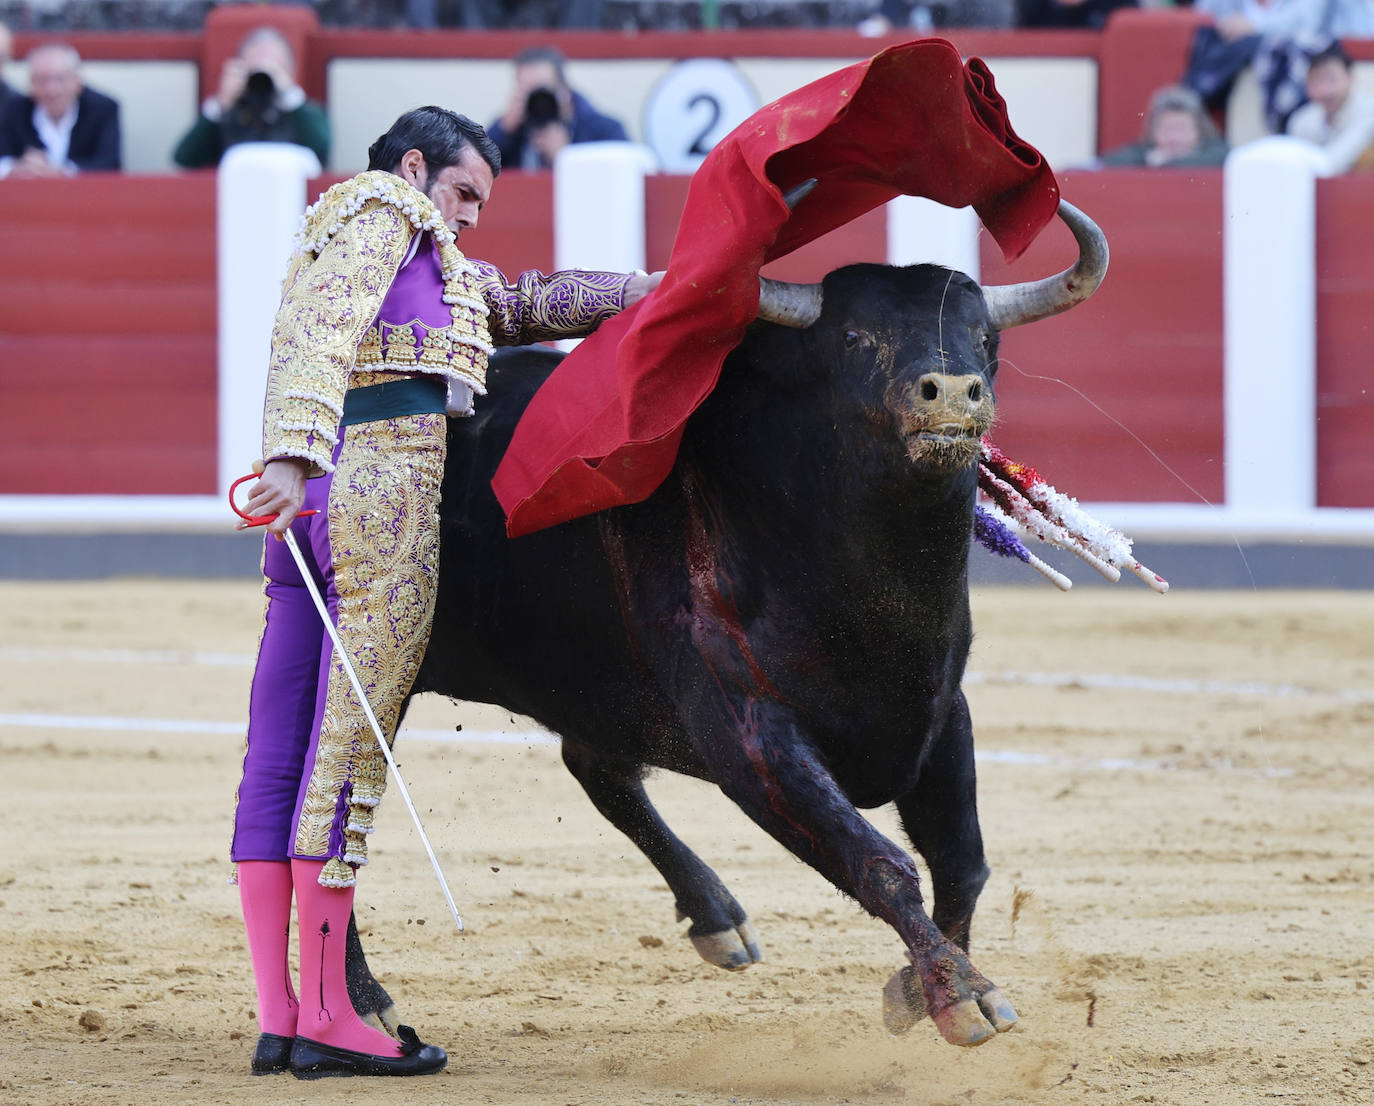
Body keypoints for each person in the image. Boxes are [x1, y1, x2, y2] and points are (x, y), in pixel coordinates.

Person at [229, 105, 662, 1080]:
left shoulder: (429, 261)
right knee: (346, 751)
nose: (467, 214)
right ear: (417, 165)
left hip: (322, 501)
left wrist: (646, 289)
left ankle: (284, 1012)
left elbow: (516, 302)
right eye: (463, 191)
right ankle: (333, 1017)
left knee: (286, 750)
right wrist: (294, 454)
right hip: (373, 492)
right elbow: (318, 325)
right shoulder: (384, 208)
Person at [173, 26, 329, 169]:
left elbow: (322, 150)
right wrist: (221, 105)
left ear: (290, 71)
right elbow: (185, 158)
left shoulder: (305, 112)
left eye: (274, 66)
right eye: (255, 65)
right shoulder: (228, 113)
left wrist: (290, 97)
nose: (262, 75)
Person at [487, 46, 627, 170]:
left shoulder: (606, 131)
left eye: (542, 91)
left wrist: (568, 157)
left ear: (564, 89)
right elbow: (476, 175)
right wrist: (503, 131)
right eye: (526, 92)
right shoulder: (510, 128)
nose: (535, 101)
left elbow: (621, 174)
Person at [0, 42, 120, 178]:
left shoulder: (102, 109)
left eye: (60, 79)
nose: (52, 90)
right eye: (42, 80)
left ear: (78, 81)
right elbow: (3, 156)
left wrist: (64, 172)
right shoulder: (15, 109)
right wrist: (18, 167)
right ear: (31, 83)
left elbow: (110, 164)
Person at [1285, 39, 1374, 172]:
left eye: (1331, 79)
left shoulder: (1368, 112)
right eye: (1317, 81)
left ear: (1351, 78)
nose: (1325, 90)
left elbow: (1331, 164)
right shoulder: (1301, 120)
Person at [1100, 85, 1229, 167]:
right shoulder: (1144, 153)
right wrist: (1147, 160)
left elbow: (1224, 158)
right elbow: (1108, 162)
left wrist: (1168, 162)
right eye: (1167, 129)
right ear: (1153, 132)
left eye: (1181, 129)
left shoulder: (1217, 152)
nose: (1174, 138)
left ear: (1199, 131)